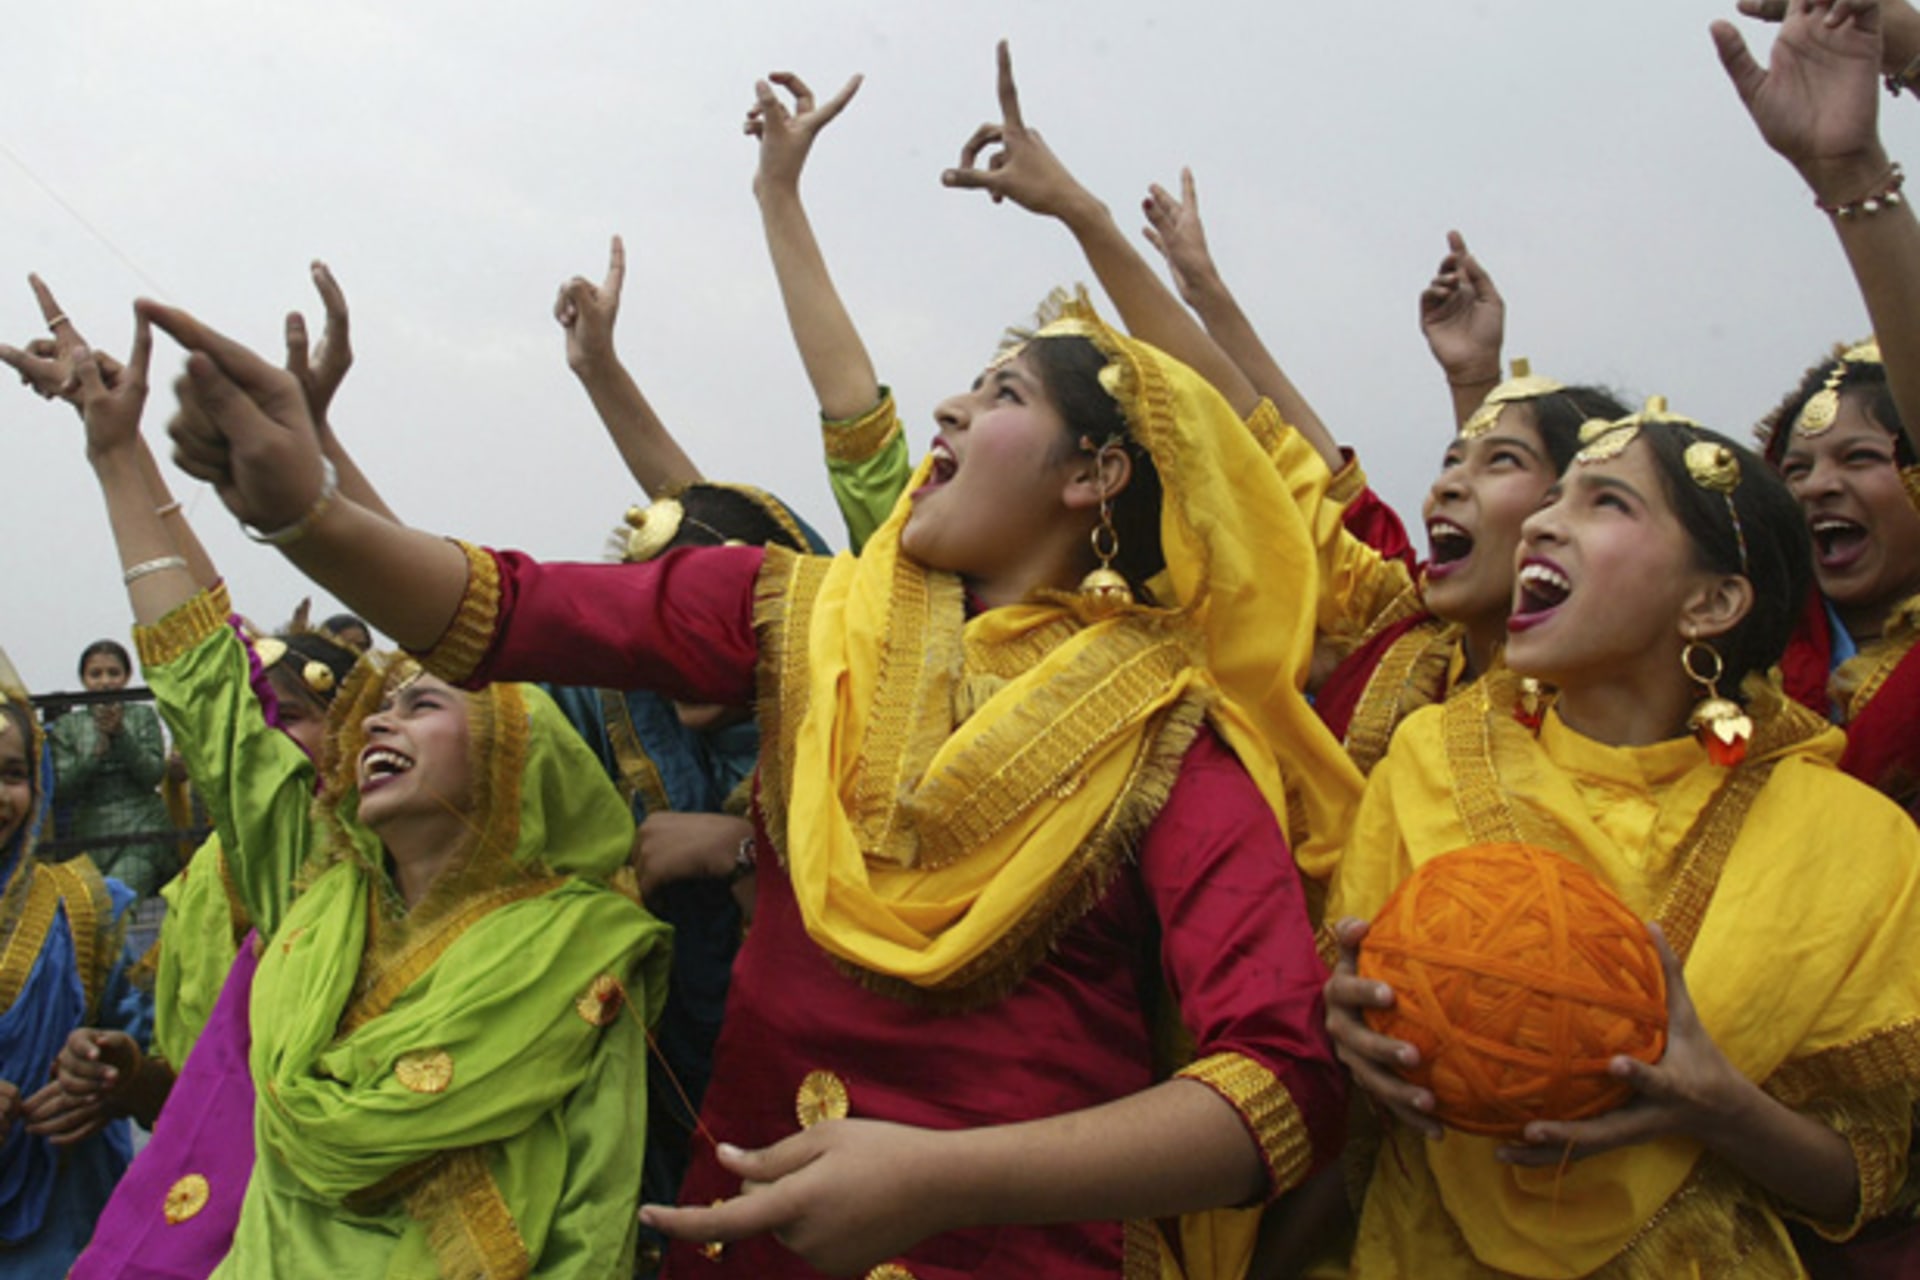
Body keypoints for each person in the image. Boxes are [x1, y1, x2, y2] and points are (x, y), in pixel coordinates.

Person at [139, 121, 1357, 1274]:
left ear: (1095, 474)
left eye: (1001, 397)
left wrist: (943, 1178)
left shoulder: (1173, 747)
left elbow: (1280, 1084)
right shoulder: (797, 612)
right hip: (744, 1238)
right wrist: (304, 511)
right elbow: (510, 609)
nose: (947, 409)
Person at [30, 283, 673, 1276]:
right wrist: (116, 450)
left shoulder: (583, 943)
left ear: (514, 750)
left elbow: (592, 1221)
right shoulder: (313, 883)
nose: (379, 717)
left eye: (425, 702)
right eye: (377, 705)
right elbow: (207, 681)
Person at [1325, 397, 1920, 1275]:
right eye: (1554, 496)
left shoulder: (1851, 839)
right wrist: (1343, 1030)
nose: (1540, 525)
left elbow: (1867, 1182)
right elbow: (1348, 1013)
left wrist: (1720, 1110)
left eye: (1606, 503)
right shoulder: (1428, 758)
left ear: (1713, 602)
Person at [1721, 0, 1920, 825]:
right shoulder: (1739, 678)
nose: (1816, 488)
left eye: (1860, 458)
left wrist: (1853, 174)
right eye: (1794, 471)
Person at [0, 648, 151, 1278]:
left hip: (75, 1231)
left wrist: (117, 1072)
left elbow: (161, 1053)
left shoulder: (88, 905)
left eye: (11, 772)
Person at [45, 638, 174, 897]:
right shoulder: (68, 727)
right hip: (89, 837)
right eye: (96, 674)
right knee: (87, 909)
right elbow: (61, 790)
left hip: (142, 831)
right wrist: (94, 754)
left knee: (117, 901)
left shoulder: (142, 716)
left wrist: (121, 736)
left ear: (127, 677)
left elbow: (153, 774)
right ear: (83, 680)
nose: (105, 681)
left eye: (113, 673)